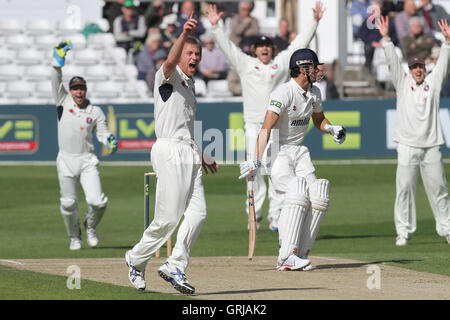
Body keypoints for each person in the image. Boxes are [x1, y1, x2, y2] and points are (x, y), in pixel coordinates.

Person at [206, 2, 324, 232]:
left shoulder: (280, 65)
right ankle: (254, 213)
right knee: (255, 170)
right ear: (254, 50)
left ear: (272, 49)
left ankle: (277, 216)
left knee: (279, 172)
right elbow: (228, 48)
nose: (264, 49)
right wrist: (216, 27)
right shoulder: (245, 65)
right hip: (253, 127)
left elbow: (298, 46)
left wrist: (314, 22)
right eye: (260, 46)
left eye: (268, 46)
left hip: (278, 126)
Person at [125, 13, 219, 294]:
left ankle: (175, 265)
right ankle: (136, 258)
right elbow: (168, 62)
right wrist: (182, 34)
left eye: (197, 54)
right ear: (180, 55)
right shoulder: (166, 77)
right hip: (168, 150)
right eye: (190, 53)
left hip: (188, 152)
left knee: (199, 213)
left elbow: (186, 127)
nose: (195, 58)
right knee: (168, 218)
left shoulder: (190, 86)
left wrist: (201, 154)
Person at [238, 48, 347, 270]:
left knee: (319, 193)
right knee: (297, 190)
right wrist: (256, 160)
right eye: (315, 66)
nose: (319, 70)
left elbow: (318, 120)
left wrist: (331, 128)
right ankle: (286, 256)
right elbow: (266, 128)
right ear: (303, 68)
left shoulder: (315, 92)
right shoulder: (283, 93)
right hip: (277, 152)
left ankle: (300, 252)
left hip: (299, 151)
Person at [377, 16, 450, 246]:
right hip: (407, 145)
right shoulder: (402, 83)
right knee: (404, 191)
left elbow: (444, 66)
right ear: (409, 70)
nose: (418, 70)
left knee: (439, 190)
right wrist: (387, 38)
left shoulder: (433, 83)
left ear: (425, 68)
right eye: (414, 67)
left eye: (420, 67)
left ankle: (447, 228)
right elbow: (392, 63)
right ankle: (403, 232)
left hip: (431, 145)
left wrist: (447, 42)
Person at [51, 40, 118, 250]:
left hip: (87, 160)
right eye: (75, 89)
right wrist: (57, 62)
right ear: (70, 91)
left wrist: (108, 140)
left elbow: (103, 133)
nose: (79, 92)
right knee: (68, 204)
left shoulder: (95, 111)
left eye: (81, 88)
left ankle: (90, 226)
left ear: (86, 90)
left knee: (98, 202)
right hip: (66, 160)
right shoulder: (62, 102)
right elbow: (55, 79)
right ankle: (74, 236)